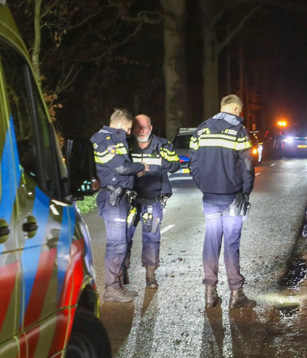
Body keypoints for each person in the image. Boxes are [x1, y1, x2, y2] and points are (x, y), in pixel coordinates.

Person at [190, 94, 256, 309]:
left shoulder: (201, 129)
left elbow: (193, 164)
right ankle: (236, 294)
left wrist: (205, 185)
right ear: (236, 109)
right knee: (231, 244)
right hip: (232, 196)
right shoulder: (238, 130)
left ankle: (210, 294)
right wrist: (245, 192)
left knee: (210, 243)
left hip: (209, 196)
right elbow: (246, 164)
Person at [91, 108, 149, 303]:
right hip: (112, 198)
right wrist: (140, 167)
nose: (130, 132)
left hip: (120, 197)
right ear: (122, 124)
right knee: (117, 244)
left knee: (122, 242)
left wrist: (134, 173)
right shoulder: (105, 140)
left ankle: (118, 286)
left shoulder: (116, 139)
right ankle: (112, 289)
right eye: (130, 128)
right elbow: (121, 167)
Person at [127, 114, 180, 288]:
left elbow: (175, 164)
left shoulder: (162, 145)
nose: (141, 131)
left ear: (151, 128)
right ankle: (122, 270)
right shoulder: (126, 145)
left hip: (153, 200)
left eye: (145, 127)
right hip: (129, 200)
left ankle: (150, 274)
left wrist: (161, 161)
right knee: (123, 237)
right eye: (138, 128)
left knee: (152, 238)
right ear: (133, 129)